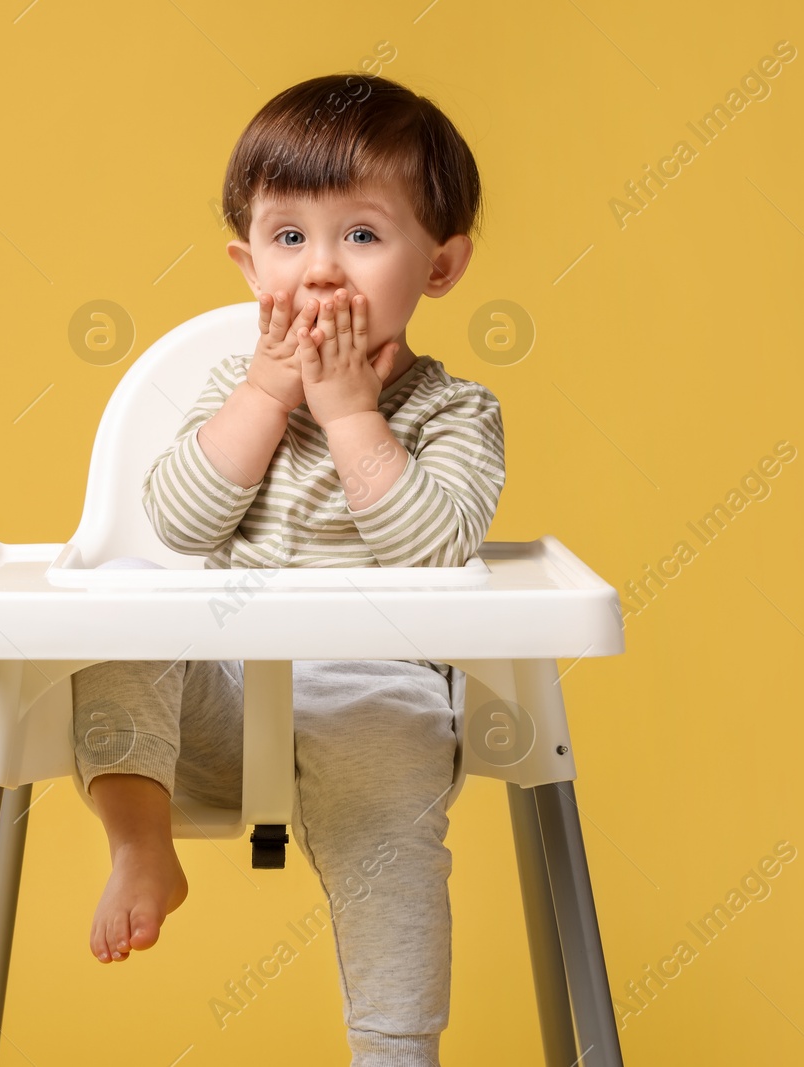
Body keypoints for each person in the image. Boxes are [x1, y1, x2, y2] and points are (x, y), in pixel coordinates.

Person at [71, 71, 505, 1066]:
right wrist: (268, 395)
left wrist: (352, 414)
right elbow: (178, 520)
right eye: (288, 237)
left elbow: (434, 548)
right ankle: (141, 844)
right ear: (246, 261)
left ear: (438, 265)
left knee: (392, 849)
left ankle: (395, 1046)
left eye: (360, 235)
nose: (319, 270)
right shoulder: (232, 390)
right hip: (220, 706)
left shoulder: (453, 415)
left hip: (374, 695)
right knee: (123, 608)